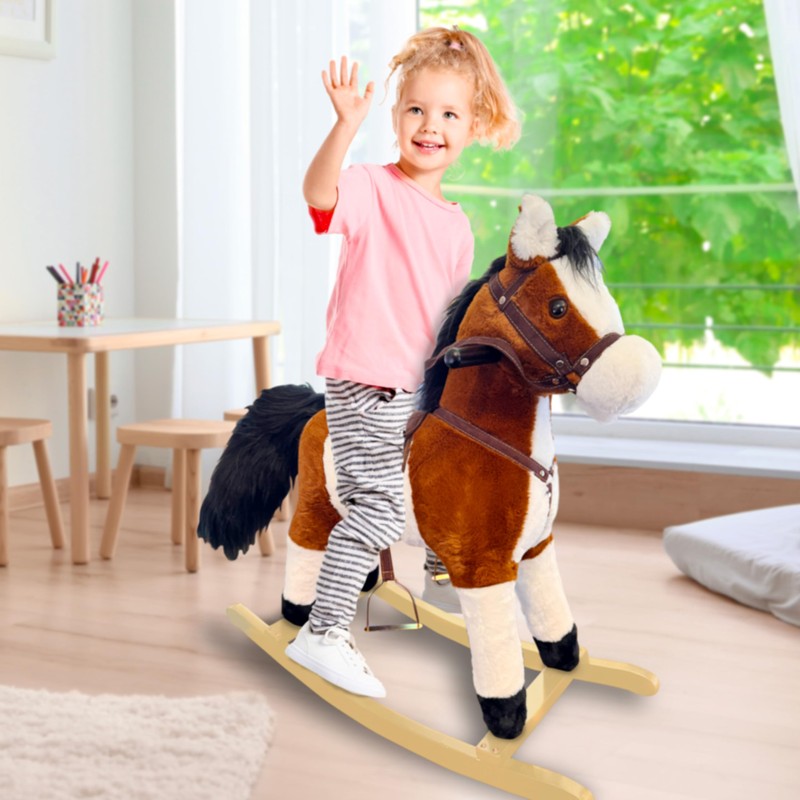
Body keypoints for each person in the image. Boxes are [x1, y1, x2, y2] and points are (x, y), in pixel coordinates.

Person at [285, 26, 520, 698]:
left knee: (422, 491)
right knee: (379, 510)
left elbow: (443, 322)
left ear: (471, 127)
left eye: (448, 114)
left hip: (413, 392)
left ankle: (430, 576)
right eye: (416, 109)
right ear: (395, 117)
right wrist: (344, 126)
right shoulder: (370, 187)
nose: (429, 126)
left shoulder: (456, 225)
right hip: (363, 379)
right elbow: (318, 195)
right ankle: (324, 631)